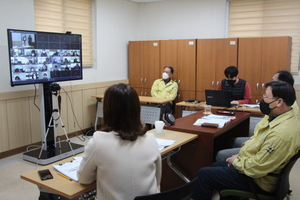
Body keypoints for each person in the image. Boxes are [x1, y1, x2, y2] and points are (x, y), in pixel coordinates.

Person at [191, 81, 300, 200]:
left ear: (279, 102)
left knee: (204, 174)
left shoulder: (281, 134)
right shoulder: (281, 118)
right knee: (215, 167)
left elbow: (257, 167)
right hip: (258, 170)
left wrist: (236, 162)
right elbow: (259, 146)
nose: (262, 100)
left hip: (259, 180)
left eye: (265, 97)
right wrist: (241, 157)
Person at [77, 83, 162, 200]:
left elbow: (84, 179)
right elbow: (157, 178)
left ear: (107, 110)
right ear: (137, 108)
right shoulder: (150, 139)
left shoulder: (98, 141)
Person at [215, 70, 300, 162]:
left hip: (261, 147)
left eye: (273, 81)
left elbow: (269, 137)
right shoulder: (285, 107)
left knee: (221, 154)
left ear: (281, 85)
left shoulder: (284, 109)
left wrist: (252, 143)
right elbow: (265, 129)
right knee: (232, 140)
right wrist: (253, 140)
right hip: (259, 139)